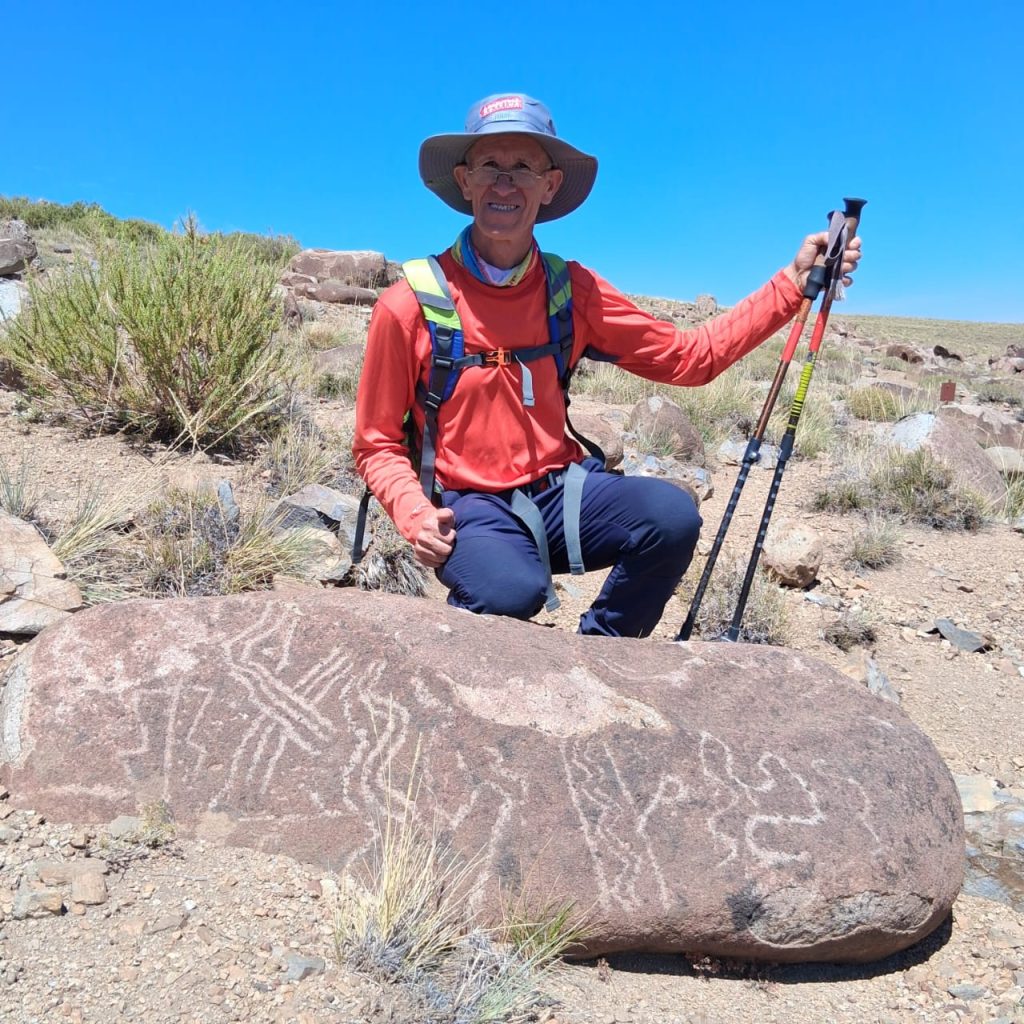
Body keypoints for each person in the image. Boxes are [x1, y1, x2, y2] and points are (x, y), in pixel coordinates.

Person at [353, 92, 861, 638]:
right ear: (465, 180)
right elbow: (376, 443)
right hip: (468, 506)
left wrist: (791, 285)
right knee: (508, 591)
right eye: (489, 167)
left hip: (560, 494)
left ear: (550, 185)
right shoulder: (408, 305)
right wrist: (415, 515)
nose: (504, 183)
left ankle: (602, 653)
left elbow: (690, 359)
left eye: (523, 168)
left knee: (672, 517)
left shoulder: (573, 291)